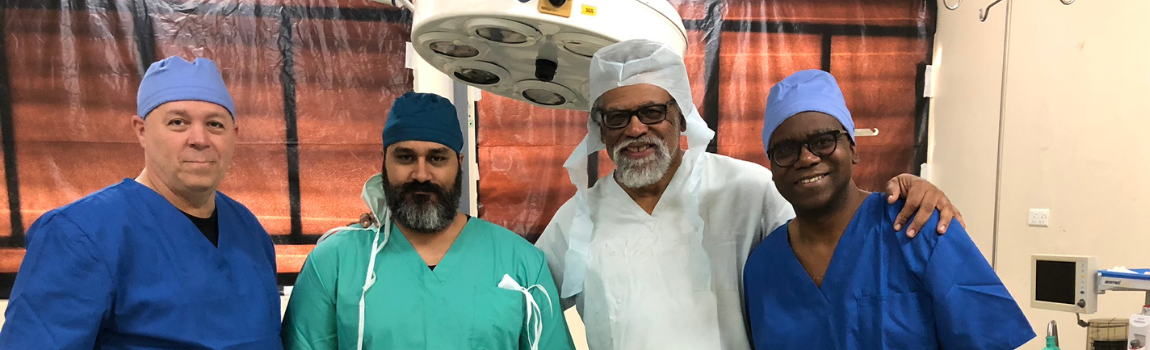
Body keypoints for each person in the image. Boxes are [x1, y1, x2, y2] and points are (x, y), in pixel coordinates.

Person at [534, 39, 965, 350]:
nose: (635, 129)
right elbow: (523, 306)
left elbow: (830, 235)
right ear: (600, 130)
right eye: (616, 117)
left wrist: (907, 190)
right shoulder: (576, 219)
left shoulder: (746, 187)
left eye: (652, 112)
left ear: (681, 118)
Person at [0, 56, 282, 349]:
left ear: (234, 136)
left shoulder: (248, 231)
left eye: (215, 124)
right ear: (142, 130)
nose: (200, 138)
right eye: (178, 122)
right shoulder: (80, 234)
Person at [743, 69, 1034, 349]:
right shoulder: (763, 268)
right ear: (771, 165)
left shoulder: (918, 226)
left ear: (853, 148)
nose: (806, 158)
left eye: (823, 142)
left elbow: (985, 337)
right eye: (785, 150)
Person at [281, 92, 575, 350]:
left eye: (437, 158)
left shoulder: (521, 264)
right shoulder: (336, 262)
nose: (421, 175)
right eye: (406, 157)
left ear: (458, 165)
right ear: (384, 162)